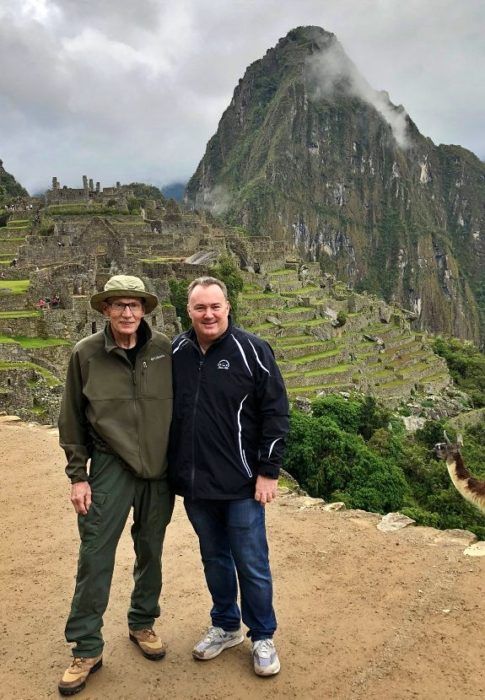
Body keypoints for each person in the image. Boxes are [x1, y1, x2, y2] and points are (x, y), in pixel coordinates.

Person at [57, 275, 173, 696]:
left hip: (158, 470)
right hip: (108, 467)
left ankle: (142, 622)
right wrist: (78, 476)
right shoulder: (85, 355)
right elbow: (70, 418)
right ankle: (86, 646)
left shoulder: (164, 350)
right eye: (119, 305)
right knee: (95, 556)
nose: (127, 313)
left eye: (135, 305)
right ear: (105, 309)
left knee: (152, 550)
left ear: (145, 310)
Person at [169, 276, 289, 677]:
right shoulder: (177, 351)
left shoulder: (252, 350)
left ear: (227, 307)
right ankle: (225, 625)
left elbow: (276, 412)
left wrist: (268, 472)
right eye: (200, 307)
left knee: (251, 561)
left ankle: (262, 635)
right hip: (196, 484)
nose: (208, 314)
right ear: (188, 310)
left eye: (215, 307)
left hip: (241, 483)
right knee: (213, 558)